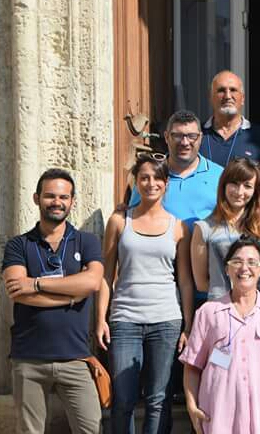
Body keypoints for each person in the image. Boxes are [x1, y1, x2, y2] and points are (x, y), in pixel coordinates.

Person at [96, 154, 193, 433]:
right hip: (125, 319)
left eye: (157, 178)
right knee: (123, 398)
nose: (151, 183)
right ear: (136, 182)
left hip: (166, 320)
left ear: (166, 183)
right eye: (144, 178)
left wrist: (188, 325)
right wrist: (100, 319)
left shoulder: (178, 227)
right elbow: (106, 275)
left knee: (158, 398)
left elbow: (185, 280)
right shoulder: (119, 221)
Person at [2, 168, 104, 434]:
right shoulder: (18, 245)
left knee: (91, 428)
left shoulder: (87, 241)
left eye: (63, 197)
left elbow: (93, 282)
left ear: (72, 201)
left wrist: (36, 283)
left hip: (76, 357)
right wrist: (72, 296)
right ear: (36, 198)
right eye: (50, 196)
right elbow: (17, 291)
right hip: (29, 358)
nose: (56, 202)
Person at [180, 237, 260, 434]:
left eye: (252, 262)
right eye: (237, 262)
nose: (244, 268)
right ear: (227, 269)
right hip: (218, 418)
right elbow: (192, 366)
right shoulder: (208, 312)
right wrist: (191, 405)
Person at [191, 158, 260, 300]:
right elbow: (201, 283)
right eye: (234, 184)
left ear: (255, 191)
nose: (239, 192)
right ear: (224, 185)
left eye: (247, 186)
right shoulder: (204, 228)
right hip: (222, 306)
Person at [129, 110, 224, 229]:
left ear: (200, 138)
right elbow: (132, 215)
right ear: (166, 137)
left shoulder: (219, 175)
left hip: (203, 241)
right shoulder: (151, 176)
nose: (185, 142)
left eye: (192, 136)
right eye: (177, 136)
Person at [200, 70, 260, 167]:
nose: (227, 96)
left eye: (233, 90)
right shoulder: (196, 135)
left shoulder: (259, 136)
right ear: (211, 98)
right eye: (221, 90)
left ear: (243, 98)